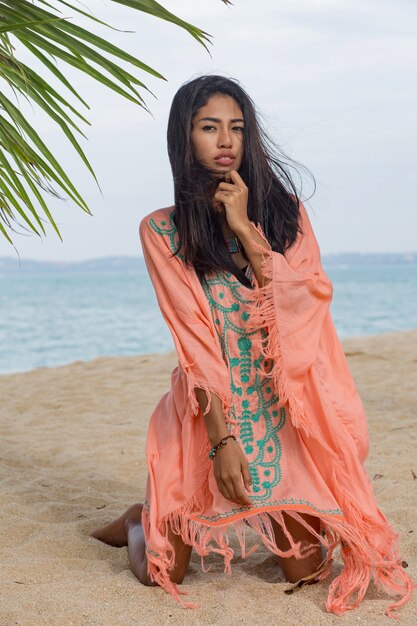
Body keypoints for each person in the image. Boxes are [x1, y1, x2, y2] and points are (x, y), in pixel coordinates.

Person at [91, 75, 412, 616]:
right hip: (206, 414)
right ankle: (141, 520)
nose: (225, 141)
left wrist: (244, 228)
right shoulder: (162, 232)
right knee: (160, 574)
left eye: (236, 128)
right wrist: (222, 442)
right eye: (209, 127)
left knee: (307, 572)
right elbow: (194, 343)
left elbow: (308, 302)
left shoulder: (286, 215)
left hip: (285, 414)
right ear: (183, 138)